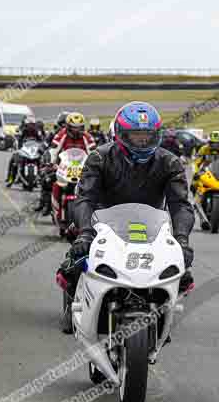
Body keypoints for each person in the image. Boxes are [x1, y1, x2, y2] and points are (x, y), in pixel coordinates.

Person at [56, 101, 196, 301]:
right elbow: (85, 197)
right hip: (101, 224)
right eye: (135, 135)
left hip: (151, 228)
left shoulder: (170, 162)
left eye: (147, 135)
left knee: (183, 275)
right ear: (121, 134)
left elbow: (181, 205)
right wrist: (85, 233)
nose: (142, 141)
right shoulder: (99, 157)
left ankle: (163, 312)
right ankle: (73, 304)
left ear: (157, 135)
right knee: (71, 267)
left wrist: (182, 240)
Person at [35, 112, 96, 216]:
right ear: (68, 127)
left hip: (82, 168)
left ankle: (92, 212)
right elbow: (53, 151)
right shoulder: (61, 135)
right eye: (73, 128)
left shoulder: (88, 137)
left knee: (96, 185)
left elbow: (93, 153)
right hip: (63, 167)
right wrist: (50, 163)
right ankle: (51, 206)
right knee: (49, 181)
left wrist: (96, 165)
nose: (76, 131)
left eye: (79, 128)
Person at [5, 116, 42, 187]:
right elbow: (19, 140)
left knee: (42, 161)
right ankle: (10, 179)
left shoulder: (37, 131)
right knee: (14, 161)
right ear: (26, 124)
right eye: (29, 125)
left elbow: (41, 140)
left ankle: (39, 179)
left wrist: (41, 148)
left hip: (33, 150)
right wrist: (18, 148)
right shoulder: (23, 130)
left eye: (32, 124)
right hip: (24, 150)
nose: (31, 127)